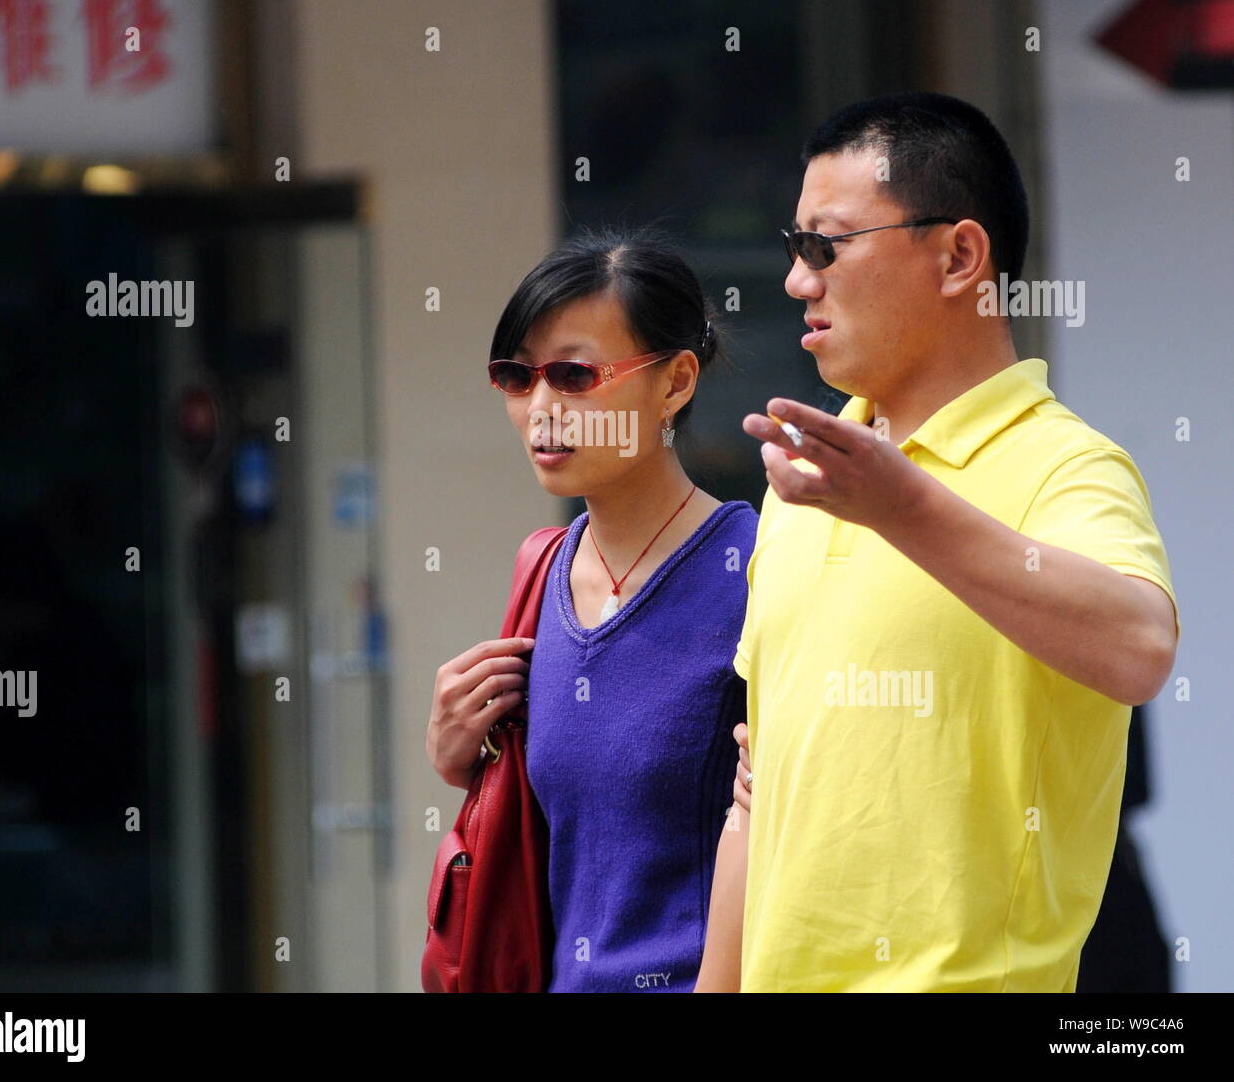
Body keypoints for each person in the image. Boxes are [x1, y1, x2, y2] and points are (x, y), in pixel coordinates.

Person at [697, 91, 1179, 993]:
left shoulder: (1065, 463)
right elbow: (756, 799)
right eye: (795, 248)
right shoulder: (802, 488)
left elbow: (1141, 646)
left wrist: (904, 507)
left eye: (825, 245)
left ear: (959, 255)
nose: (800, 280)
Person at [426, 227, 758, 992]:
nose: (541, 408)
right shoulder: (542, 573)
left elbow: (781, 824)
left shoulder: (758, 570)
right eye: (518, 375)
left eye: (574, 374)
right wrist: (461, 762)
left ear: (676, 383)